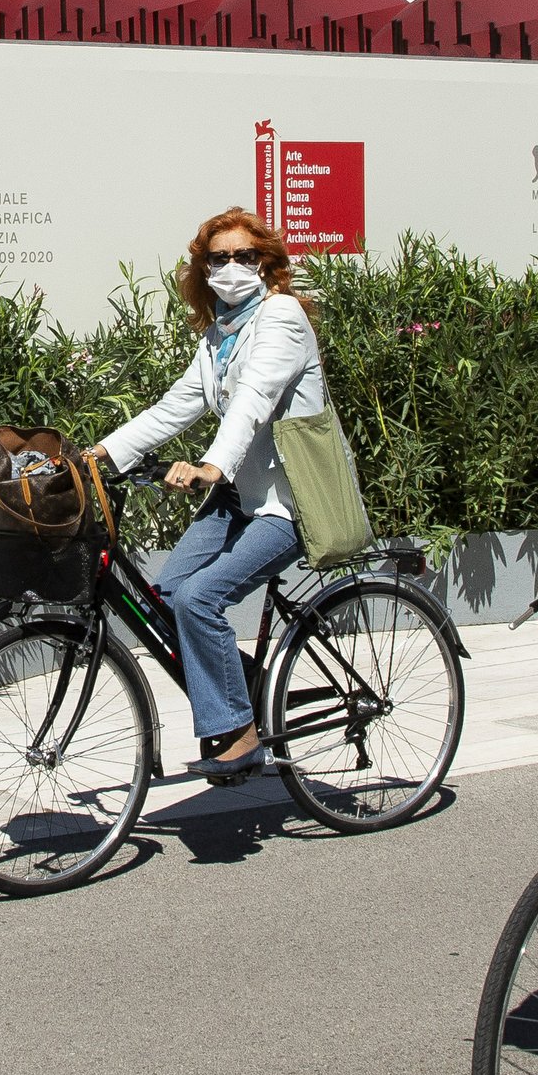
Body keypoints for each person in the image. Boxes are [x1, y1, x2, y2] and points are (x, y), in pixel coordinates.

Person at [92, 208, 333, 780]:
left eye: (245, 256)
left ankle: (241, 732)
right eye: (218, 258)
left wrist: (211, 466)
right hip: (237, 499)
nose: (230, 268)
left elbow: (253, 397)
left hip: (286, 500)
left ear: (267, 266)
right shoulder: (219, 333)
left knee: (200, 600)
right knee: (167, 599)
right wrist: (100, 455)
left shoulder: (281, 318)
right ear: (202, 269)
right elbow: (179, 405)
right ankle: (245, 691)